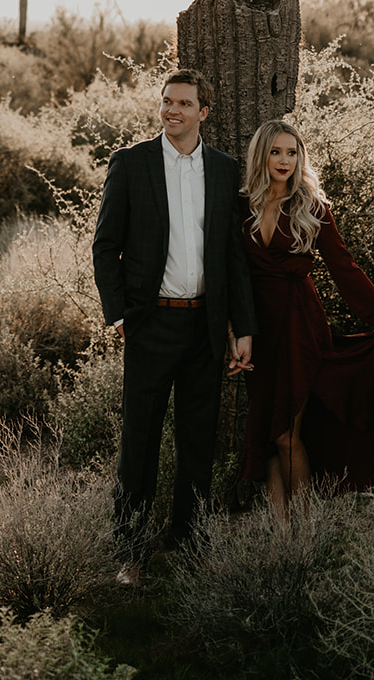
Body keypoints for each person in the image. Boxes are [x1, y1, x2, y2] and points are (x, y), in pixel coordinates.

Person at [92, 69, 256, 584]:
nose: (173, 111)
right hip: (150, 324)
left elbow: (233, 256)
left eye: (185, 104)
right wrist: (119, 314)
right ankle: (132, 554)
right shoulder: (132, 163)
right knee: (138, 443)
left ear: (204, 112)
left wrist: (242, 326)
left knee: (198, 442)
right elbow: (104, 246)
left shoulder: (226, 170)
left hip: (205, 326)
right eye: (167, 102)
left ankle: (191, 548)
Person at [240, 118, 374, 513]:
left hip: (298, 325)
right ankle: (281, 537)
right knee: (269, 432)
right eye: (276, 152)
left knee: (287, 433)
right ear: (262, 155)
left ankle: (304, 531)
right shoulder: (243, 203)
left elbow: (343, 265)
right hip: (258, 330)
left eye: (292, 152)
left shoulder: (310, 206)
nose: (284, 160)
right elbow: (231, 273)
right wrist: (234, 327)